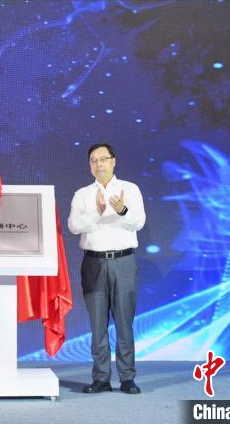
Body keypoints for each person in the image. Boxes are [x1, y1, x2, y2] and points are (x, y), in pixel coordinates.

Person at [67, 143, 146, 395]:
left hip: (123, 261)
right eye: (94, 160)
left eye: (103, 159)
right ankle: (101, 377)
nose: (99, 164)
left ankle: (127, 378)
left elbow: (139, 222)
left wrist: (122, 210)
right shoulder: (82, 194)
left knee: (124, 323)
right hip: (93, 263)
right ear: (89, 165)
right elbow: (73, 226)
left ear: (113, 161)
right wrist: (97, 212)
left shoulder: (130, 189)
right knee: (98, 324)